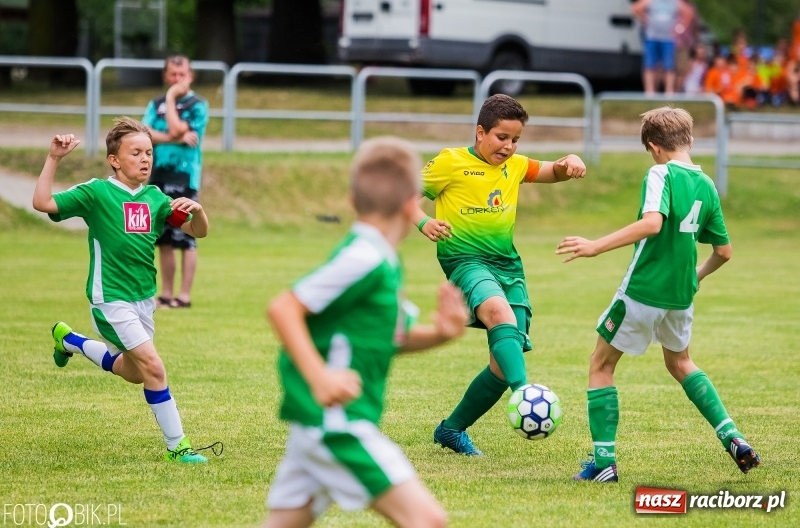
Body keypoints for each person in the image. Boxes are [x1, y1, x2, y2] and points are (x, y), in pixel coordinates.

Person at [263, 136, 467, 528]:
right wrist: (320, 378)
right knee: (428, 520)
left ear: (352, 201)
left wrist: (442, 334)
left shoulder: (381, 259)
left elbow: (391, 339)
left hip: (321, 422)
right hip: (337, 421)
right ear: (412, 204)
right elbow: (283, 308)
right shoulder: (365, 257)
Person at [555, 106, 760, 482]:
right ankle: (734, 436)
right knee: (681, 363)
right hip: (680, 295)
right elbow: (724, 252)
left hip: (644, 289)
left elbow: (652, 223)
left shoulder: (660, 172)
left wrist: (595, 246)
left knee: (601, 364)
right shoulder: (708, 185)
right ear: (691, 141)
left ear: (653, 147)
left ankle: (604, 465)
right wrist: (695, 277)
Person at [31, 117, 214, 463]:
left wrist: (199, 211)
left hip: (144, 300)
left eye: (148, 152)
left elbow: (198, 233)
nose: (145, 159)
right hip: (110, 300)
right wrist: (54, 158)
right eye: (136, 153)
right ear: (114, 159)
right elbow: (43, 203)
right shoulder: (96, 192)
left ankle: (70, 341)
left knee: (135, 373)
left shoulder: (156, 198)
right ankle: (179, 447)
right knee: (155, 369)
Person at [413, 94, 586, 456]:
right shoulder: (451, 161)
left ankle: (451, 430)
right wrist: (423, 221)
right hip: (465, 261)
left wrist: (569, 161)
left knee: (502, 363)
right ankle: (525, 394)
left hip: (509, 267)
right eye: (501, 137)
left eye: (515, 140)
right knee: (499, 315)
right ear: (480, 132)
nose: (508, 147)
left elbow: (551, 171)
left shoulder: (516, 166)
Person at [143, 54, 208, 309]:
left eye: (182, 75)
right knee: (165, 238)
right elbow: (144, 133)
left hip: (184, 177)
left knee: (185, 236)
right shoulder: (154, 103)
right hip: (158, 175)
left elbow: (178, 128)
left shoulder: (197, 105)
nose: (177, 79)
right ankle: (167, 294)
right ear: (165, 76)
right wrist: (173, 138)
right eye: (173, 74)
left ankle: (184, 296)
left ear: (190, 76)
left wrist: (171, 98)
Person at [632, 0, 695, 94]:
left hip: (668, 38)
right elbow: (635, 8)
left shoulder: (674, 0)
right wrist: (644, 19)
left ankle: (669, 91)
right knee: (649, 65)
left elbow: (688, 12)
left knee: (669, 66)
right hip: (652, 36)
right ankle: (649, 91)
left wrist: (680, 28)